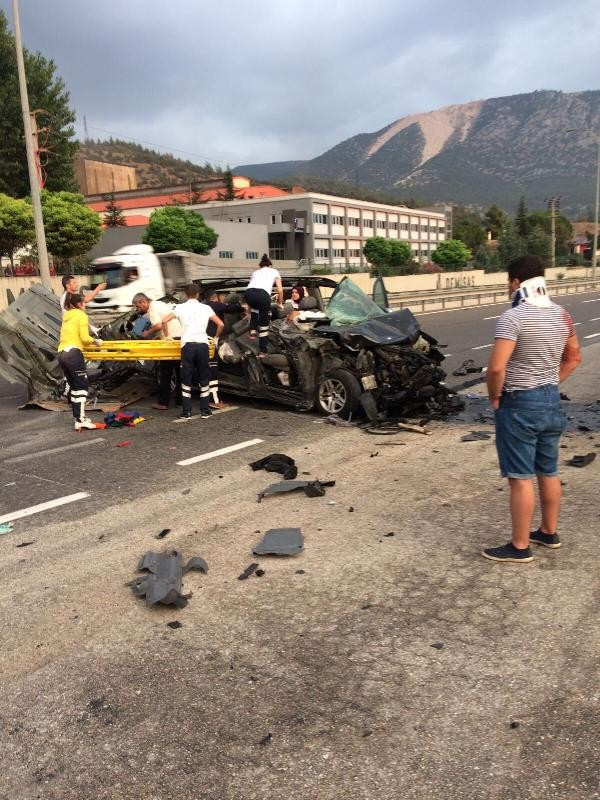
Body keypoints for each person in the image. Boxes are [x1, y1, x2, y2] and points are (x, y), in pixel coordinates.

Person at [482, 255, 582, 564]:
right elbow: (574, 358)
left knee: (520, 477)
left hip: (520, 404)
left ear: (515, 282)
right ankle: (548, 532)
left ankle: (520, 545)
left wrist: (495, 397)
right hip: (551, 400)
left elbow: (496, 369)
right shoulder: (562, 314)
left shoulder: (513, 317)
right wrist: (550, 381)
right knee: (548, 471)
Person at [162, 284, 224, 420]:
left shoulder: (180, 307)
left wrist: (167, 336)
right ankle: (205, 410)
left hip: (187, 346)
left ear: (185, 294)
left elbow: (164, 320)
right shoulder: (206, 308)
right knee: (204, 377)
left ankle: (187, 412)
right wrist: (216, 338)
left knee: (186, 378)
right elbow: (221, 324)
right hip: (203, 345)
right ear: (198, 294)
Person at [57, 293, 103, 431]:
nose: (86, 305)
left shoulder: (67, 316)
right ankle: (81, 419)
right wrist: (95, 341)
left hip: (62, 353)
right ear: (79, 304)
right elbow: (84, 337)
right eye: (84, 302)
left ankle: (78, 418)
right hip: (73, 354)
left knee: (75, 388)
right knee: (81, 387)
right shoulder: (81, 315)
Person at [132, 293, 182, 411]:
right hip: (179, 339)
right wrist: (158, 337)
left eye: (138, 307)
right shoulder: (160, 304)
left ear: (143, 302)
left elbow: (159, 325)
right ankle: (180, 401)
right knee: (180, 373)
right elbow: (168, 323)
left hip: (169, 343)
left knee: (165, 373)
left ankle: (163, 403)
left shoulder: (152, 309)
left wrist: (147, 333)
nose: (138, 310)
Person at [203, 290, 242, 408]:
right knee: (212, 370)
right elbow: (233, 309)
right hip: (210, 342)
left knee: (204, 370)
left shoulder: (201, 307)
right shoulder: (215, 304)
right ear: (215, 297)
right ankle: (214, 401)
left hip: (194, 342)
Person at [243, 254, 283, 355]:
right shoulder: (274, 271)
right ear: (270, 265)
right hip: (263, 295)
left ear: (261, 266)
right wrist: (279, 303)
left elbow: (252, 298)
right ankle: (262, 351)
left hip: (248, 293)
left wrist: (248, 312)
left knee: (255, 308)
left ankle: (252, 331)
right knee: (264, 325)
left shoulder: (255, 272)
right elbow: (280, 291)